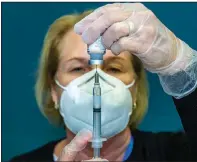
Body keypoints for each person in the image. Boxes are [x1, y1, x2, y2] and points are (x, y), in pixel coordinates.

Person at [11, 3, 197, 161]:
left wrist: (181, 63)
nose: (96, 83)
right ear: (53, 90)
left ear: (135, 88)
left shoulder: (178, 153)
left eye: (114, 68)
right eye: (78, 69)